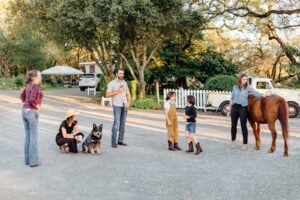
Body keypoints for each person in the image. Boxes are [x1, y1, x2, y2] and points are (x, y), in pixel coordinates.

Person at [229, 73, 262, 150]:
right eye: (244, 79)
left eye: (246, 79)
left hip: (243, 108)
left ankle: (245, 144)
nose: (245, 81)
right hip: (234, 107)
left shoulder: (248, 88)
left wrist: (264, 94)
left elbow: (256, 94)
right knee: (233, 125)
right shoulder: (235, 87)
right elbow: (232, 98)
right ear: (240, 79)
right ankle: (233, 141)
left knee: (243, 126)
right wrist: (229, 107)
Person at [20, 70, 44, 167]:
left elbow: (22, 96)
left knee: (28, 135)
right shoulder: (35, 86)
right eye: (40, 76)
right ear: (35, 77)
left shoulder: (28, 85)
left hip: (24, 111)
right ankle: (34, 161)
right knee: (33, 137)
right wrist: (37, 106)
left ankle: (27, 160)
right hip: (31, 112)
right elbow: (31, 99)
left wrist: (26, 104)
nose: (41, 78)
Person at [106, 69, 131, 148]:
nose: (121, 75)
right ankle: (113, 142)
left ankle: (120, 140)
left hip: (124, 105)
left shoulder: (125, 83)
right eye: (120, 73)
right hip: (116, 105)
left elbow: (128, 93)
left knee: (123, 123)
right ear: (116, 74)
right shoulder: (111, 83)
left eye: (122, 74)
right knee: (116, 123)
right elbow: (108, 94)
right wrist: (118, 91)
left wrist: (128, 102)